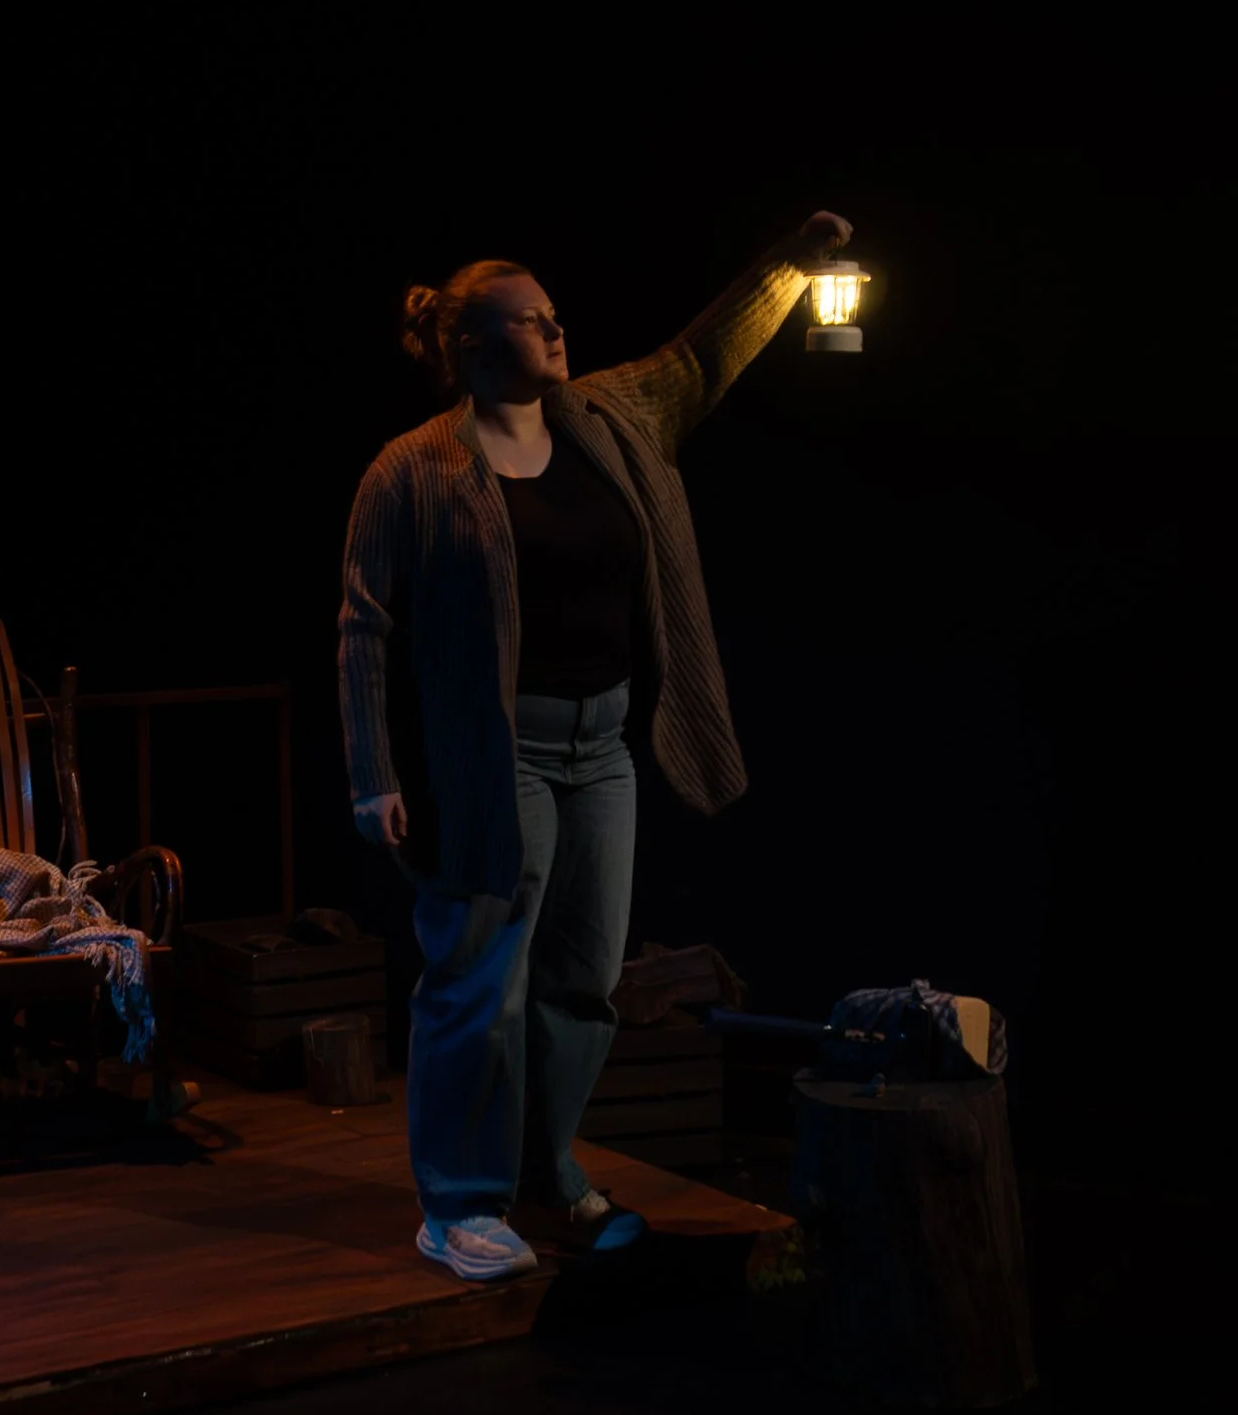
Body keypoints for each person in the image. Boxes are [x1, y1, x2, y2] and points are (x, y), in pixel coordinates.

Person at [339, 212, 854, 1279]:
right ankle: (459, 1204)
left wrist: (791, 264)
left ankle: (545, 1171)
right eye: (529, 320)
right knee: (479, 983)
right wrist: (372, 775)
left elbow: (701, 357)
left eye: (553, 314)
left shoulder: (611, 414)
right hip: (496, 760)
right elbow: (363, 627)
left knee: (581, 981)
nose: (555, 329)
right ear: (471, 345)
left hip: (605, 750)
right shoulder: (414, 468)